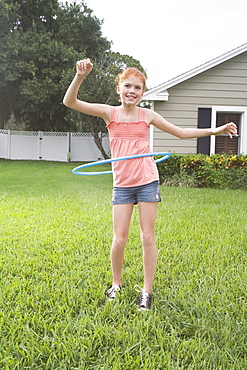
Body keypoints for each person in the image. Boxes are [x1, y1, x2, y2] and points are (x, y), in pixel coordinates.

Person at [63, 58, 238, 311]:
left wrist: (215, 131)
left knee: (147, 237)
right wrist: (80, 76)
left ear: (142, 93)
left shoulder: (148, 115)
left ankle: (147, 291)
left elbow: (180, 132)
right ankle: (116, 284)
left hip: (147, 180)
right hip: (122, 184)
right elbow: (70, 102)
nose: (132, 91)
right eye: (128, 86)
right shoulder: (109, 113)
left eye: (137, 88)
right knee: (119, 239)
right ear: (119, 89)